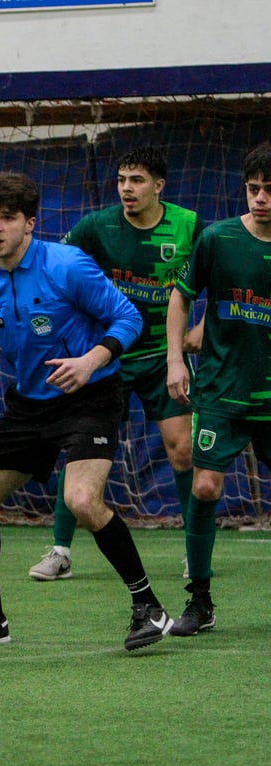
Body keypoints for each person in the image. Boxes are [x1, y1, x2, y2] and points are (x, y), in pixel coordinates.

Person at [0, 171, 173, 652]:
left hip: (91, 396)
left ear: (30, 224)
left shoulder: (68, 266)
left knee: (83, 500)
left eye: (7, 218)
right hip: (30, 407)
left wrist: (91, 360)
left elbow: (129, 317)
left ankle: (149, 607)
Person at [28, 147, 206, 581]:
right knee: (80, 450)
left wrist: (199, 331)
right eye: (122, 179)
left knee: (183, 449)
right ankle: (59, 550)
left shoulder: (188, 225)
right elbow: (52, 264)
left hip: (165, 356)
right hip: (106, 355)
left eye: (138, 180)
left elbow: (216, 281)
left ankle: (194, 550)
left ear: (159, 186)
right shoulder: (97, 226)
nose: (127, 188)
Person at [165, 141, 271, 635]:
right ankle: (200, 602)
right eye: (254, 189)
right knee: (205, 486)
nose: (261, 198)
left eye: (270, 190)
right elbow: (181, 298)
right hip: (221, 389)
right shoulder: (218, 239)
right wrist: (174, 359)